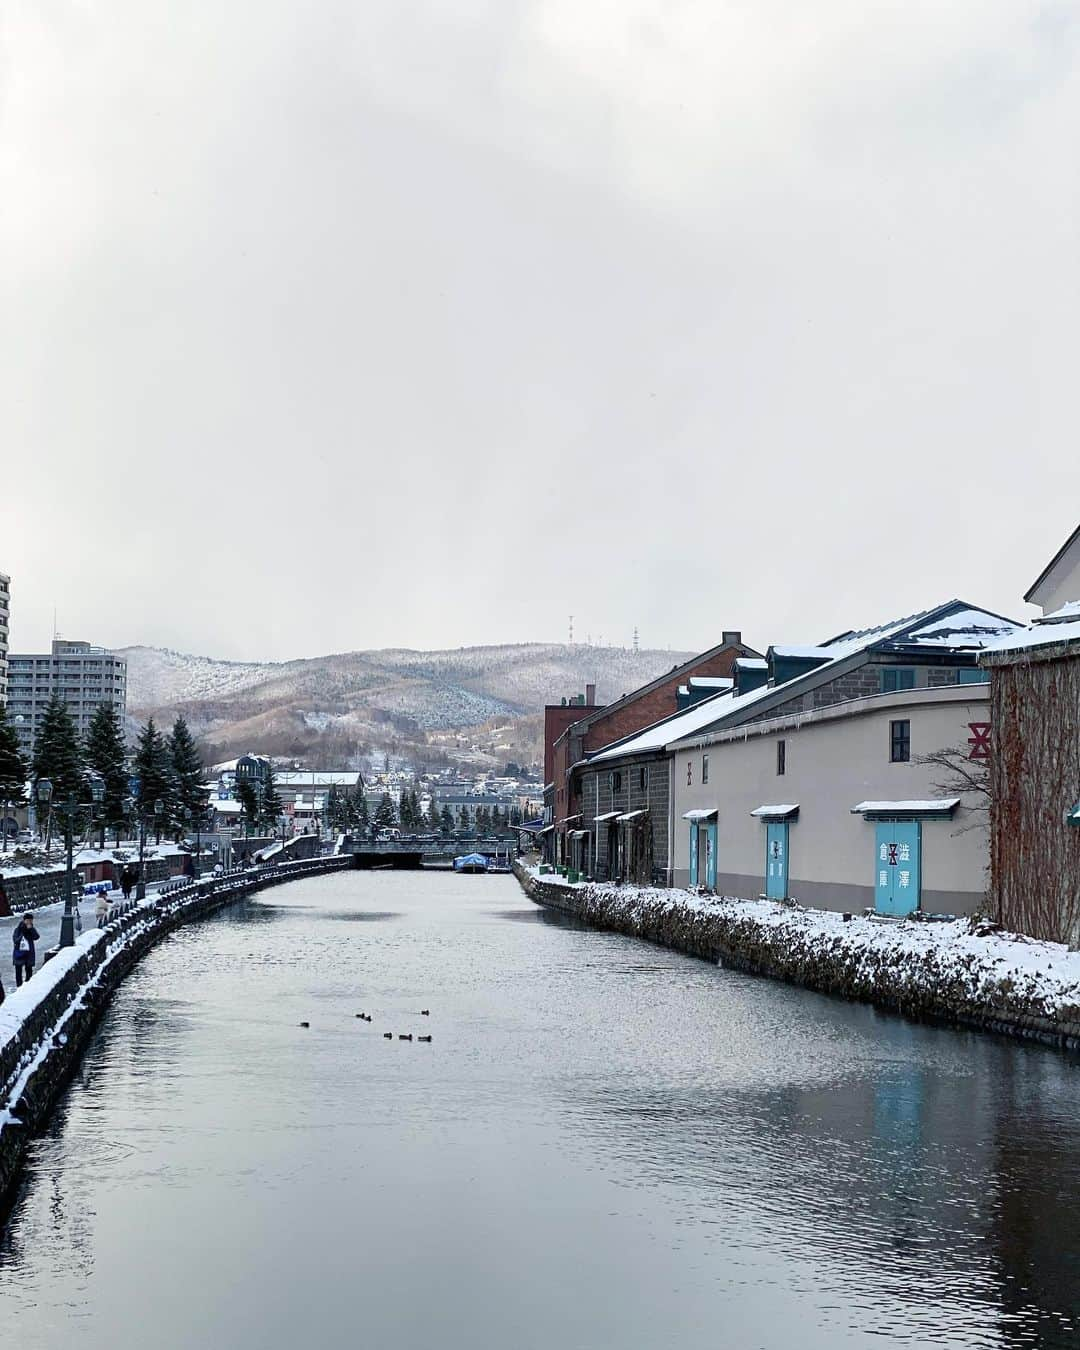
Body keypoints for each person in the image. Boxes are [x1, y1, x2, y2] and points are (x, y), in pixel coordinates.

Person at [13, 913, 39, 986]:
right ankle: (19, 987)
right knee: (18, 972)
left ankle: (28, 986)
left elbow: (36, 937)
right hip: (19, 953)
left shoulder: (31, 928)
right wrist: (23, 934)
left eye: (31, 920)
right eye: (28, 920)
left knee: (29, 971)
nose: (29, 922)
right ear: (24, 920)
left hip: (29, 953)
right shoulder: (18, 929)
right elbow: (15, 940)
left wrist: (31, 929)